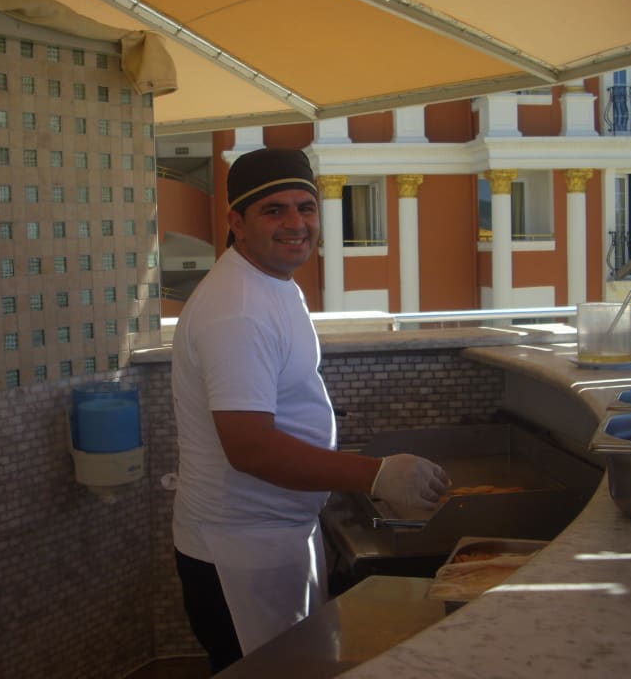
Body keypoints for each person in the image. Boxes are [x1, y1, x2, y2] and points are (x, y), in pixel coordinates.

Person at [170, 147, 449, 674]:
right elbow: (250, 448)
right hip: (239, 552)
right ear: (237, 222)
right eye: (273, 210)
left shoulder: (270, 281)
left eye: (306, 207)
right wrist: (377, 475)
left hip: (274, 536)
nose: (296, 223)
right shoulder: (237, 310)